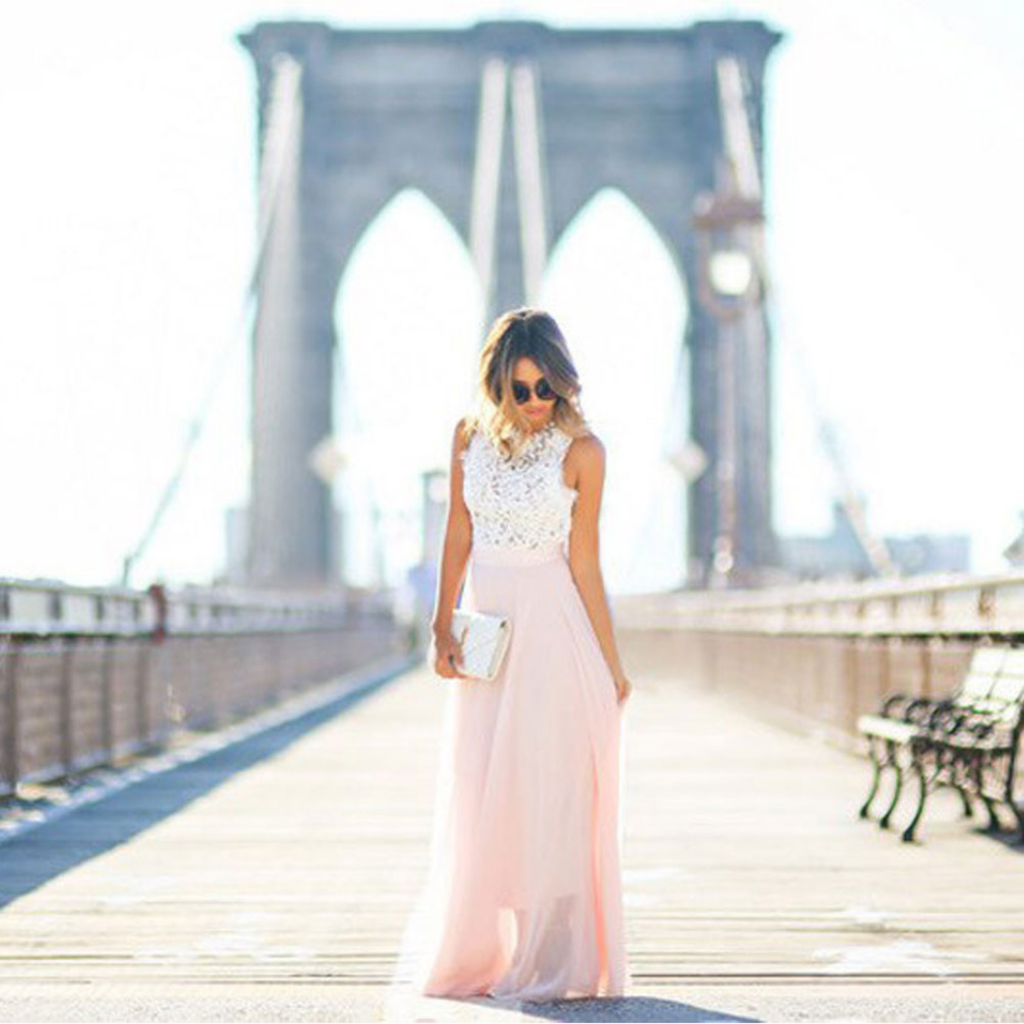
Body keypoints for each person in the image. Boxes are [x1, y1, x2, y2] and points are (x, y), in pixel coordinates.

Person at [394, 306, 633, 1005]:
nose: (534, 404)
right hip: (487, 639)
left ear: (563, 385)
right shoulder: (467, 435)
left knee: (545, 790)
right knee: (481, 790)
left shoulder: (584, 451)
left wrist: (611, 664)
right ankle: (488, 950)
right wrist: (440, 626)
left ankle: (544, 955)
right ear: (496, 385)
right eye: (520, 390)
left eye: (545, 390)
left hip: (555, 634)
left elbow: (585, 564)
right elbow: (456, 534)